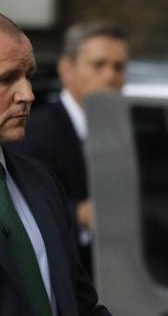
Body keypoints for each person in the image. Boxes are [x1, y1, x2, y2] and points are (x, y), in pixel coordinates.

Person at [0, 13, 110, 315]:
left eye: (29, 76)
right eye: (6, 78)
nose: (28, 95)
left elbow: (79, 303)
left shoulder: (41, 181)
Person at [8, 21, 128, 275]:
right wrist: (79, 214)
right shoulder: (27, 132)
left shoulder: (124, 132)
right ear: (66, 68)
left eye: (118, 67)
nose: (110, 76)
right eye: (98, 65)